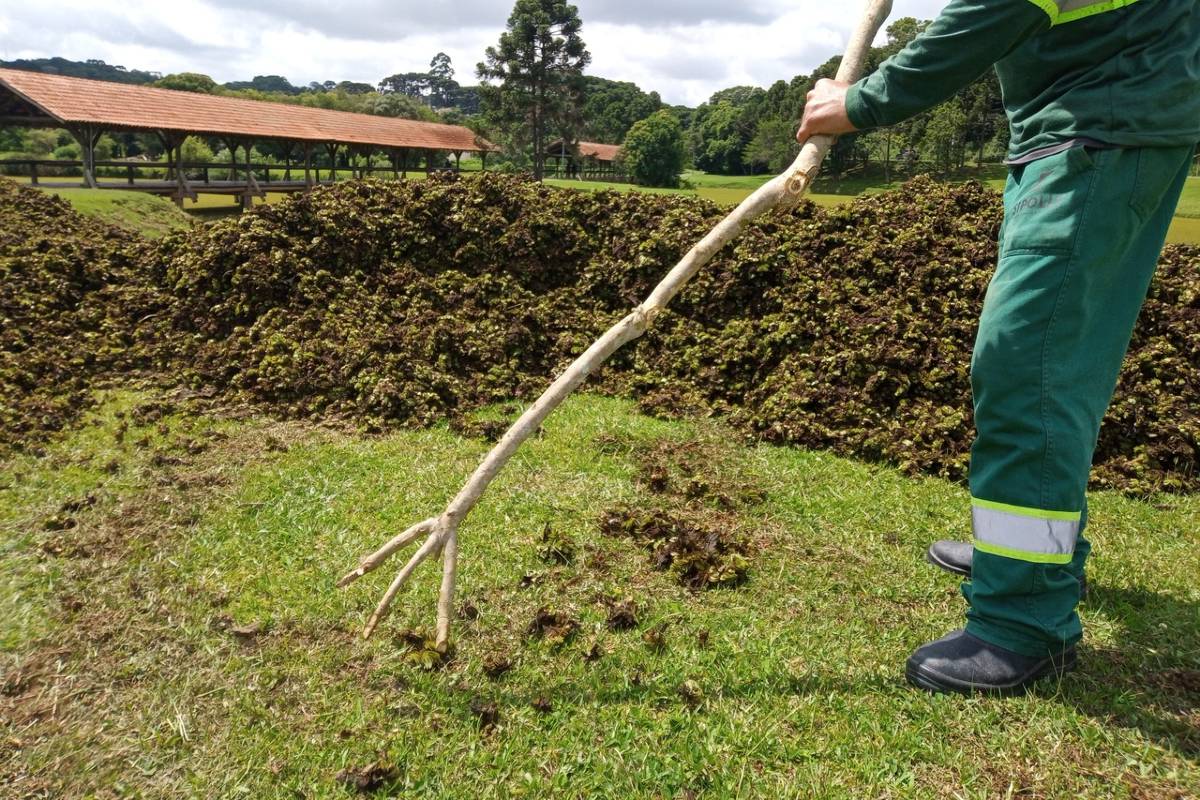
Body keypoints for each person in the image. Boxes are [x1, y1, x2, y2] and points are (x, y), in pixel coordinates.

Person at [795, 0, 1200, 695]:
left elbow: (995, 9)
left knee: (1028, 368)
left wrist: (858, 102)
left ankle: (1023, 620)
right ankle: (1027, 560)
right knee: (1047, 362)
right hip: (1079, 126)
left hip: (1101, 128)